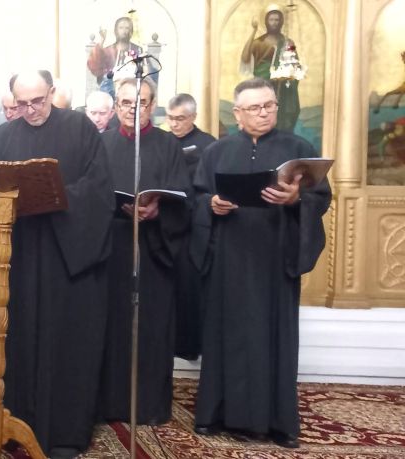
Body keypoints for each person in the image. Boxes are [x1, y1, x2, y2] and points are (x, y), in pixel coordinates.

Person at [191, 78, 330, 449]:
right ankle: (215, 415)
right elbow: (198, 197)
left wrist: (296, 200)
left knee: (274, 337)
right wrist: (211, 205)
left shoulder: (299, 150)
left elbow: (320, 198)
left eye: (269, 105)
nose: (264, 113)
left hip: (274, 259)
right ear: (237, 113)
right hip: (229, 259)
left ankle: (278, 423)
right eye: (254, 107)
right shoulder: (216, 152)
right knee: (225, 335)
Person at [0, 70, 114, 459]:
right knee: (21, 339)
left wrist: (54, 196)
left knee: (67, 344)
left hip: (68, 259)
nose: (31, 110)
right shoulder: (5, 136)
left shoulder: (79, 128)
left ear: (51, 93)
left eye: (38, 101)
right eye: (22, 104)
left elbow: (99, 189)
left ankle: (65, 432)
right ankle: (19, 424)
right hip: (22, 256)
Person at [96, 78, 189, 426]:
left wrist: (158, 210)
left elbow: (183, 197)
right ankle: (108, 403)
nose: (133, 110)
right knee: (111, 325)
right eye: (125, 103)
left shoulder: (168, 145)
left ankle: (148, 405)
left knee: (151, 327)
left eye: (142, 103)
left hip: (153, 250)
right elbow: (89, 193)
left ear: (153, 105)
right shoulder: (102, 143)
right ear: (115, 105)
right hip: (111, 249)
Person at [166, 93, 216, 361]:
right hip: (165, 222)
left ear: (193, 117)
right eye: (170, 118)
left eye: (180, 119)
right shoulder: (163, 142)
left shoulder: (209, 145)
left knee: (190, 286)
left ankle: (189, 345)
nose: (174, 124)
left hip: (196, 225)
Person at [241, 6, 300, 131]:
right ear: (266, 22)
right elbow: (245, 58)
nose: (274, 23)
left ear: (281, 22)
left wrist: (289, 75)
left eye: (277, 20)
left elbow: (294, 64)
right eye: (271, 20)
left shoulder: (287, 42)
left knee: (284, 117)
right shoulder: (259, 42)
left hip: (283, 90)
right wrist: (254, 31)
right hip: (264, 86)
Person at [88, 16, 144, 95]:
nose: (124, 31)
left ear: (131, 31)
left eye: (127, 28)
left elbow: (144, 71)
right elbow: (95, 64)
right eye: (121, 28)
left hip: (130, 92)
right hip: (109, 92)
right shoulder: (108, 51)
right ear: (115, 31)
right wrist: (102, 41)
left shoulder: (137, 49)